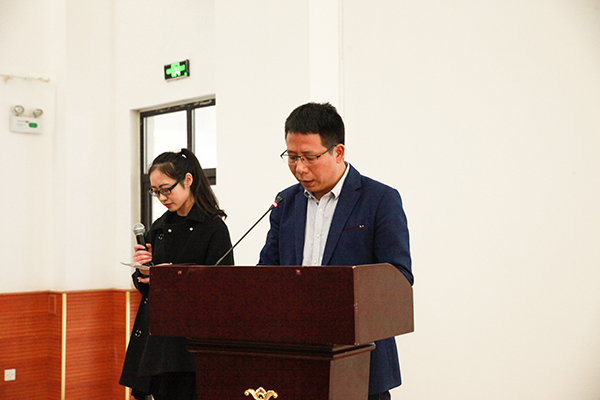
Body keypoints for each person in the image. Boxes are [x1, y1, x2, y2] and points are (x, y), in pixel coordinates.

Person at [258, 102, 413, 400]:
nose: (299, 168)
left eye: (309, 158)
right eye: (292, 157)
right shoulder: (285, 203)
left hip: (362, 362)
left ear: (338, 152)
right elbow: (267, 274)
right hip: (297, 358)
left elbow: (399, 278)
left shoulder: (380, 199)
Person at [120, 148, 234, 400]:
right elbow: (146, 289)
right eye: (155, 191)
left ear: (188, 180)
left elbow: (222, 286)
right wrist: (143, 272)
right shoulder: (159, 227)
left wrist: (169, 278)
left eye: (166, 189)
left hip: (191, 341)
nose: (162, 197)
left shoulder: (213, 227)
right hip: (158, 337)